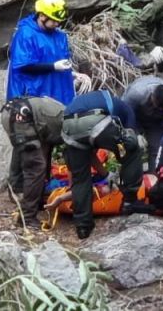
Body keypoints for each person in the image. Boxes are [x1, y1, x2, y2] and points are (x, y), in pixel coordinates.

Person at [61, 90, 151, 239]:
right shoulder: (127, 111)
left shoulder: (95, 100)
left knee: (80, 179)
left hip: (69, 125)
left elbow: (88, 153)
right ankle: (130, 201)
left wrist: (106, 174)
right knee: (133, 150)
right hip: (96, 120)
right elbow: (129, 141)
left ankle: (83, 226)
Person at [0, 96, 65, 225]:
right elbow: (74, 159)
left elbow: (45, 149)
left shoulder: (64, 117)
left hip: (11, 112)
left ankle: (21, 195)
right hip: (22, 115)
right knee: (36, 167)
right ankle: (27, 217)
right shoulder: (70, 126)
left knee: (26, 151)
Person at [6, 0, 76, 105]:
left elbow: (61, 61)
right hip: (34, 96)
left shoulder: (59, 37)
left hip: (58, 94)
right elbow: (24, 66)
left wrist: (72, 74)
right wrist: (53, 66)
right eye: (53, 20)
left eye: (59, 21)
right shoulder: (26, 34)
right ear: (42, 16)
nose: (57, 24)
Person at [121, 76, 163, 170]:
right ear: (152, 95)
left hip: (157, 122)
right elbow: (126, 113)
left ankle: (154, 176)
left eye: (162, 107)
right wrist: (136, 133)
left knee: (157, 148)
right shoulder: (137, 93)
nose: (158, 108)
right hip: (134, 116)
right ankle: (132, 178)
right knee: (131, 146)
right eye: (157, 104)